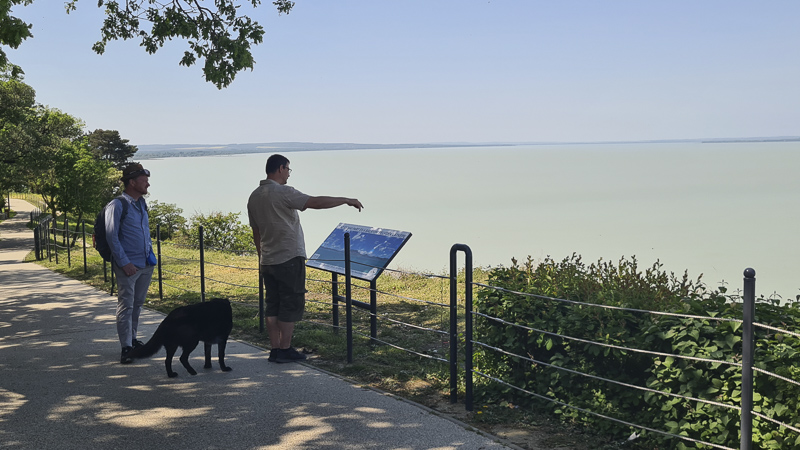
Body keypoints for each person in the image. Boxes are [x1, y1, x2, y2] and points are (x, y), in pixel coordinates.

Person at [247, 154, 363, 363]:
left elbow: (256, 231)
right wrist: (346, 200)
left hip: (268, 260)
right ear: (281, 168)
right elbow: (315, 202)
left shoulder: (254, 196)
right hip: (289, 258)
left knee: (272, 305)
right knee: (290, 304)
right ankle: (285, 348)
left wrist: (260, 255)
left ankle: (275, 350)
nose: (289, 174)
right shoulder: (283, 192)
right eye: (288, 170)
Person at [106, 163, 156, 364]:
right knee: (126, 305)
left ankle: (132, 339)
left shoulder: (141, 203)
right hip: (128, 266)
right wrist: (124, 262)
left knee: (137, 304)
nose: (148, 184)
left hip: (145, 264)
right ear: (132, 182)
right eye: (144, 181)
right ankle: (126, 348)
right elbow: (112, 237)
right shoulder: (117, 205)